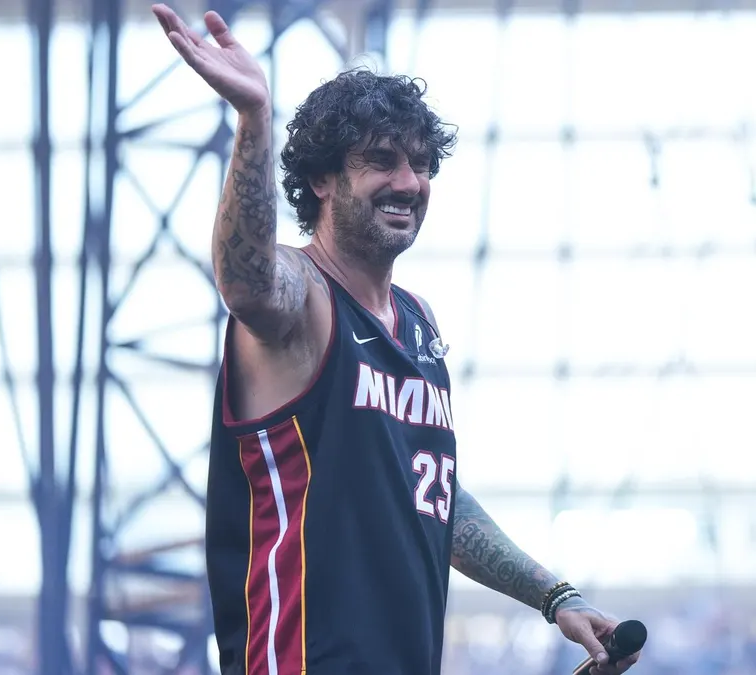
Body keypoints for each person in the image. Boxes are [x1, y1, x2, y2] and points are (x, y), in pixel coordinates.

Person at [151, 5, 643, 675]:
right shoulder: (304, 295)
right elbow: (246, 283)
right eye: (382, 161)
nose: (409, 183)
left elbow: (433, 493)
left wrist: (554, 596)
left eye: (421, 164)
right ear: (322, 178)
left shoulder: (419, 324)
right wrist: (255, 118)